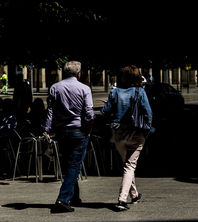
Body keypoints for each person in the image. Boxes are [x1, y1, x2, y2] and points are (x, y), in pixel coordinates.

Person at [43, 61, 95, 213]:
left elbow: (50, 111)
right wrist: (89, 128)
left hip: (61, 131)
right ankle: (63, 199)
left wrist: (47, 129)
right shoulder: (84, 89)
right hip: (79, 130)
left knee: (68, 164)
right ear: (79, 73)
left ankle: (74, 197)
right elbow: (89, 113)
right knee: (74, 165)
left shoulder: (54, 88)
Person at [101, 65, 153, 211]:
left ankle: (134, 195)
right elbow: (148, 113)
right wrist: (147, 131)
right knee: (130, 166)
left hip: (118, 133)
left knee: (127, 165)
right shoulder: (140, 92)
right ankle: (122, 200)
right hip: (136, 132)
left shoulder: (115, 92)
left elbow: (105, 112)